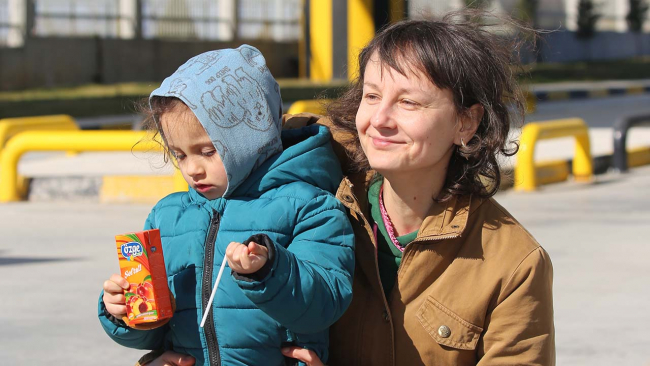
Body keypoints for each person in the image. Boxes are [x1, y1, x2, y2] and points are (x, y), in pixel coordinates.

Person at [148, 11, 555, 366]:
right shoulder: (312, 192)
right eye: (372, 95)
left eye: (409, 102)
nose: (379, 119)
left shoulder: (513, 265)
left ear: (466, 123)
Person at [98, 45, 355, 366]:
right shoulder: (167, 216)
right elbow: (152, 333)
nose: (192, 169)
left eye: (207, 151)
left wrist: (269, 271)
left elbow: (325, 303)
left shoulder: (307, 206)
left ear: (251, 136)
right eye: (180, 154)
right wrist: (124, 313)